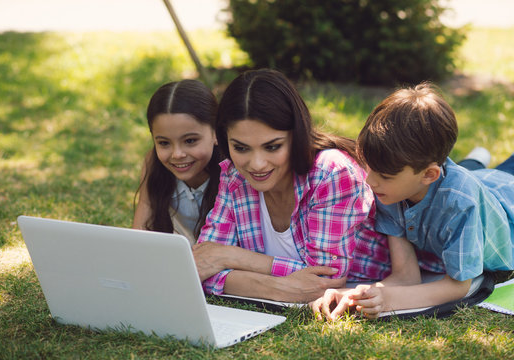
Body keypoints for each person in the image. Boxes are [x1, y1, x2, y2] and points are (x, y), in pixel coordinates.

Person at [311, 82, 514, 320]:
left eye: (384, 176)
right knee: (487, 174)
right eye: (370, 169)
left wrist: (387, 300)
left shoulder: (461, 203)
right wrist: (349, 295)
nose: (369, 182)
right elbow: (406, 276)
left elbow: (458, 286)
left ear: (429, 175)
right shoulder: (392, 191)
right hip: (488, 184)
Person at [192, 69, 395, 303]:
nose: (256, 164)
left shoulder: (331, 173)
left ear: (295, 136)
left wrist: (230, 256)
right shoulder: (234, 175)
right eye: (241, 148)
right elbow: (202, 267)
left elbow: (326, 279)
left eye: (272, 147)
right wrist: (278, 288)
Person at [133, 80, 222, 244]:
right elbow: (140, 232)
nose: (177, 154)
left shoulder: (233, 172)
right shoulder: (153, 164)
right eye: (164, 143)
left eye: (190, 141)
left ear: (216, 132)